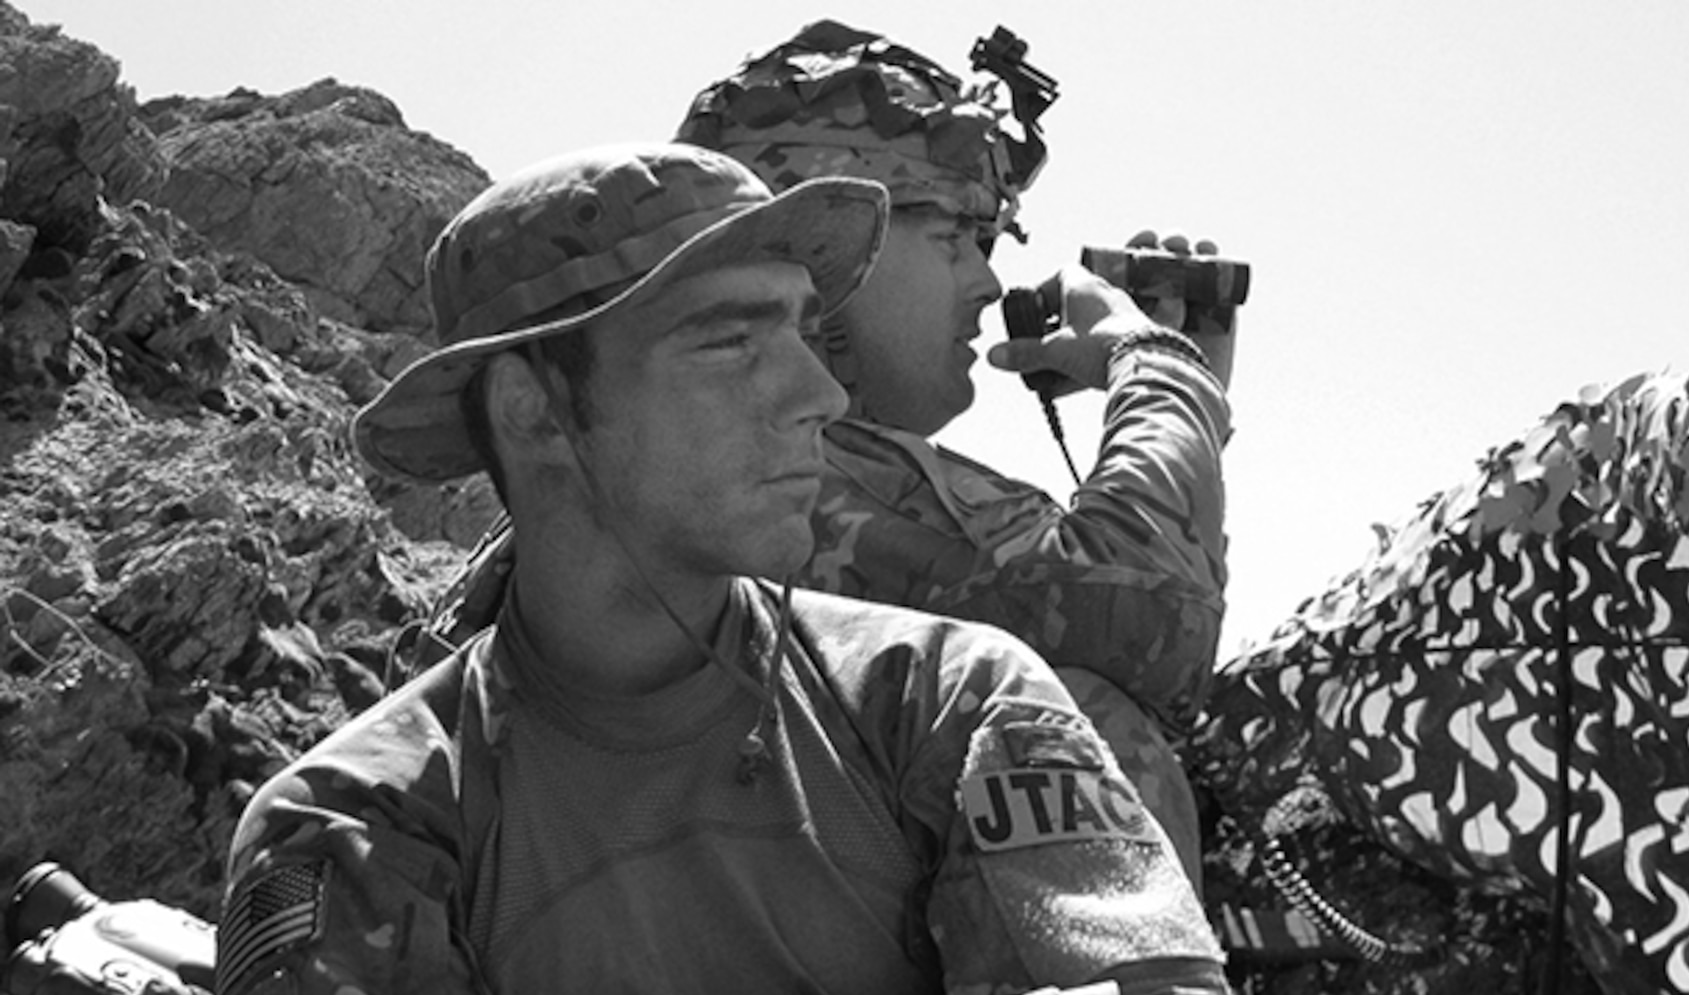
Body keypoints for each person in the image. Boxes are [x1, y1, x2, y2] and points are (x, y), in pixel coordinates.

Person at [212, 142, 1256, 995]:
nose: (820, 392)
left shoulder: (945, 693)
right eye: (729, 343)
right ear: (534, 412)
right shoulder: (356, 824)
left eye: (801, 330)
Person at [423, 20, 1231, 890]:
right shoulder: (766, 492)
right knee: (1072, 716)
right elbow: (1148, 612)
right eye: (955, 235)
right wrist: (1159, 370)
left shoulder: (765, 477)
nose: (988, 284)